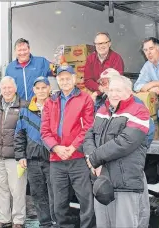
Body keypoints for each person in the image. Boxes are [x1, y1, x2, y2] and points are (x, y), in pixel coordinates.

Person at [84, 75, 151, 228]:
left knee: (125, 223)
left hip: (125, 181)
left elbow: (126, 142)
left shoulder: (139, 111)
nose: (114, 94)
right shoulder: (102, 110)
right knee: (103, 223)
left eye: (119, 90)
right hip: (103, 180)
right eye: (111, 90)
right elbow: (89, 135)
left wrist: (95, 158)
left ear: (129, 92)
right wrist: (91, 158)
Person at [40, 65, 96, 228]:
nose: (64, 81)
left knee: (86, 200)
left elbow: (88, 126)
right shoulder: (51, 101)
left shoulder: (85, 98)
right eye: (61, 78)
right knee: (59, 202)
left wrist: (72, 147)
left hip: (77, 158)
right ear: (57, 80)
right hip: (57, 159)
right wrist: (56, 148)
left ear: (74, 78)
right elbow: (44, 131)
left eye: (67, 78)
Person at [14, 76, 56, 228]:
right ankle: (45, 222)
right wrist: (20, 156)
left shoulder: (56, 107)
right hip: (32, 160)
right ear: (33, 90)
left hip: (53, 159)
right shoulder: (25, 111)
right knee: (37, 193)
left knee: (55, 193)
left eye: (44, 87)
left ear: (49, 89)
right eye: (38, 88)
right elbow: (19, 135)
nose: (41, 91)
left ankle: (56, 221)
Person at [0, 76, 28, 228]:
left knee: (17, 189)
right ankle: (4, 218)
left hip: (16, 157)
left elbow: (27, 132)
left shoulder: (23, 105)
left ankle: (18, 220)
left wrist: (23, 154)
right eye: (4, 88)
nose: (7, 90)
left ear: (15, 88)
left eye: (10, 87)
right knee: (0, 188)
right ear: (0, 89)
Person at [133, 37, 159, 125]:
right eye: (145, 50)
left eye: (151, 49)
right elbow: (137, 86)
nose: (148, 53)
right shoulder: (147, 66)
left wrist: (153, 83)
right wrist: (150, 89)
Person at [84, 32, 124, 101]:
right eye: (98, 44)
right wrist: (98, 88)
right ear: (95, 45)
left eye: (104, 43)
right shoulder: (90, 58)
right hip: (95, 93)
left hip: (112, 95)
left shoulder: (117, 58)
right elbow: (87, 80)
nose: (101, 46)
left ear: (109, 44)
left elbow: (115, 81)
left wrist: (97, 92)